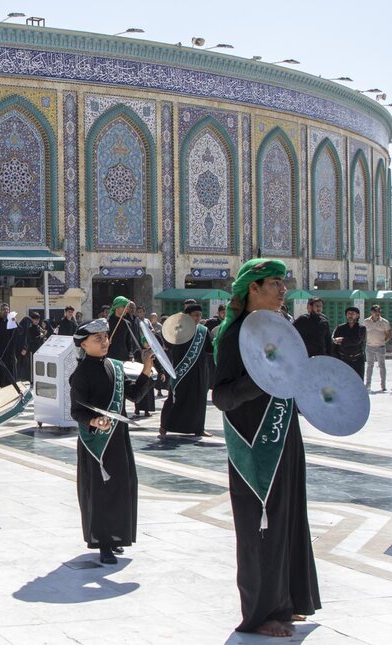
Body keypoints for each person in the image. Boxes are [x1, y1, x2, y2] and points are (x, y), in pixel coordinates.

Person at [213, 259, 320, 638]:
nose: (283, 289)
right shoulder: (234, 335)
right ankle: (259, 613)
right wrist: (260, 382)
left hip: (284, 436)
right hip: (254, 447)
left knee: (288, 517)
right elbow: (223, 396)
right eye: (274, 283)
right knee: (260, 527)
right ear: (252, 289)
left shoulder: (283, 329)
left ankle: (288, 600)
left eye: (283, 282)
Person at [69, 318, 154, 565]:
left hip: (118, 440)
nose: (105, 341)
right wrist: (94, 422)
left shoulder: (115, 367)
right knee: (99, 493)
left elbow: (135, 394)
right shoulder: (80, 375)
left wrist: (147, 369)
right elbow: (77, 411)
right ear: (84, 345)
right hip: (96, 443)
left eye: (106, 337)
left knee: (120, 488)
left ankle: (117, 536)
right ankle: (102, 543)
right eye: (98, 339)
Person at [159, 301, 212, 439]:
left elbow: (209, 349)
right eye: (195, 315)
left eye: (200, 315)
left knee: (199, 399)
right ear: (187, 315)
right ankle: (165, 426)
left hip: (199, 371)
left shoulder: (203, 331)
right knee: (176, 397)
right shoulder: (178, 328)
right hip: (181, 370)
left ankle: (199, 428)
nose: (198, 318)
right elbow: (169, 346)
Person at [362, 306, 392, 393]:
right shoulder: (366, 321)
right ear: (371, 312)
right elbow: (363, 332)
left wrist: (383, 341)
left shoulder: (384, 322)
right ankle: (368, 384)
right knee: (369, 366)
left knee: (382, 366)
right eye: (375, 311)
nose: (377, 313)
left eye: (379, 311)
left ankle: (383, 385)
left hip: (380, 347)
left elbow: (389, 333)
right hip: (369, 346)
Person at [332, 307, 367, 382]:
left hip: (358, 359)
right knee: (343, 382)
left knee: (358, 382)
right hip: (344, 359)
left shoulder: (361, 328)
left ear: (357, 315)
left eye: (353, 313)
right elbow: (335, 343)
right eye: (349, 313)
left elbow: (357, 340)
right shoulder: (340, 328)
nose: (350, 315)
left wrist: (343, 340)